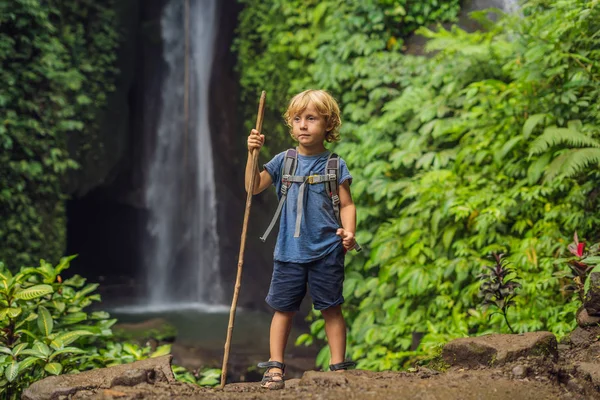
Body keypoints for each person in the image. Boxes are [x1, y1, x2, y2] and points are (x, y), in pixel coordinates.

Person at [245, 89, 357, 390]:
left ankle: (337, 368)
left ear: (328, 125)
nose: (303, 125)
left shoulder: (334, 165)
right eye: (297, 119)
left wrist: (349, 232)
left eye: (311, 119)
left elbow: (347, 204)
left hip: (326, 250)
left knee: (331, 308)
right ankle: (275, 368)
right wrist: (252, 154)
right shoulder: (284, 161)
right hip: (289, 251)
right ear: (290, 125)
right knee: (283, 309)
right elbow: (253, 186)